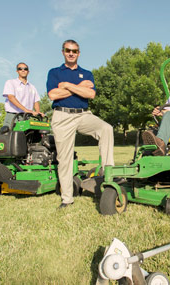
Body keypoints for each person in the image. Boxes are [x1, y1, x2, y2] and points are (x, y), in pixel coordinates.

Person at [47, 39, 114, 209]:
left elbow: (90, 95)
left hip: (83, 115)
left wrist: (68, 86)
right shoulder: (54, 72)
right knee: (64, 159)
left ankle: (109, 176)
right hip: (62, 116)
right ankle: (67, 199)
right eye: (68, 50)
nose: (71, 53)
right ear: (63, 51)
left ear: (79, 53)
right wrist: (79, 87)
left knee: (106, 128)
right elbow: (53, 95)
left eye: (74, 51)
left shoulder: (87, 73)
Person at [2, 62, 43, 128]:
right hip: (13, 116)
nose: (23, 70)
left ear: (28, 72)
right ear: (17, 71)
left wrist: (37, 112)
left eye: (25, 69)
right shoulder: (11, 82)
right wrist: (25, 109)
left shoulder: (32, 87)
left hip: (26, 117)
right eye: (20, 69)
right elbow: (11, 97)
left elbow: (36, 101)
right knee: (10, 136)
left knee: (26, 137)